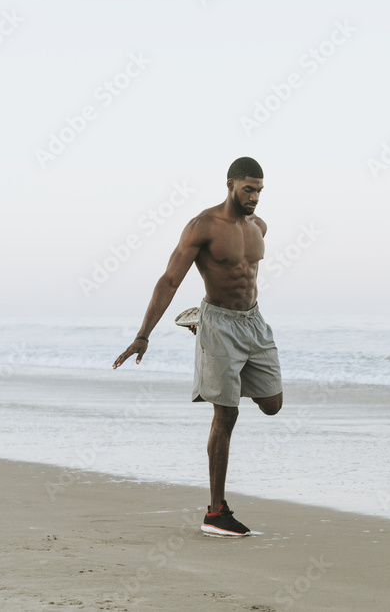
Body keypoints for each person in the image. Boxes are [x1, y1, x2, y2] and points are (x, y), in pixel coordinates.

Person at [113, 156, 282, 537]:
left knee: (273, 405)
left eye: (259, 190)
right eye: (248, 189)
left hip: (253, 322)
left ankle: (197, 321)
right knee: (227, 415)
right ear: (230, 184)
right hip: (220, 325)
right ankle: (215, 512)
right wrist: (143, 335)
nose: (254, 197)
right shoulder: (203, 226)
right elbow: (170, 279)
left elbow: (244, 275)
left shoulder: (259, 227)